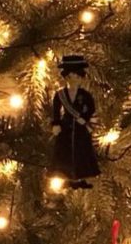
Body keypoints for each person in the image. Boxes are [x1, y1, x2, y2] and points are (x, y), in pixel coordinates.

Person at [50, 54, 101, 189]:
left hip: (80, 129)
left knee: (82, 152)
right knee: (64, 152)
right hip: (66, 127)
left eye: (77, 76)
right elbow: (56, 110)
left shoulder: (85, 95)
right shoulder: (60, 94)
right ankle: (66, 176)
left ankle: (82, 177)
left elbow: (91, 108)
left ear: (81, 77)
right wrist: (56, 124)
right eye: (71, 76)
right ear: (66, 77)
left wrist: (83, 118)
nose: (74, 79)